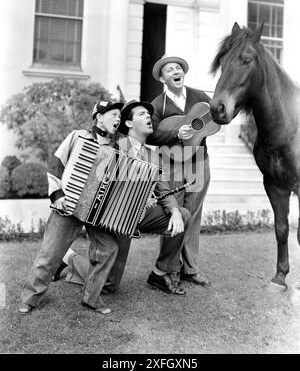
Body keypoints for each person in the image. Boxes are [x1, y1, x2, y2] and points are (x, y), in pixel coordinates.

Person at [55, 100, 191, 296]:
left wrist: (175, 211)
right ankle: (69, 259)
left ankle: (160, 273)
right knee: (109, 286)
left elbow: (163, 189)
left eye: (149, 115)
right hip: (110, 216)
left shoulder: (154, 156)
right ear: (128, 123)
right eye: (142, 114)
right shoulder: (113, 145)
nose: (148, 117)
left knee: (183, 215)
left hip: (140, 214)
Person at [18, 101, 124, 315]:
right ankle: (30, 298)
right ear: (99, 116)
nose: (118, 119)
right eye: (114, 114)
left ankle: (92, 299)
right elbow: (56, 163)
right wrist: (57, 195)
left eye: (120, 116)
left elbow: (117, 180)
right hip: (68, 206)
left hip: (96, 212)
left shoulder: (117, 148)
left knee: (109, 249)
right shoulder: (78, 136)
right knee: (50, 254)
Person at [148, 55, 211, 287]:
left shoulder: (200, 97)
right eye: (169, 70)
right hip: (172, 164)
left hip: (198, 161)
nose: (175, 71)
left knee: (193, 214)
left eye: (178, 68)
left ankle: (191, 269)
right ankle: (169, 268)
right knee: (173, 214)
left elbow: (217, 118)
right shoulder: (158, 104)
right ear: (163, 78)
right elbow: (151, 133)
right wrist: (175, 134)